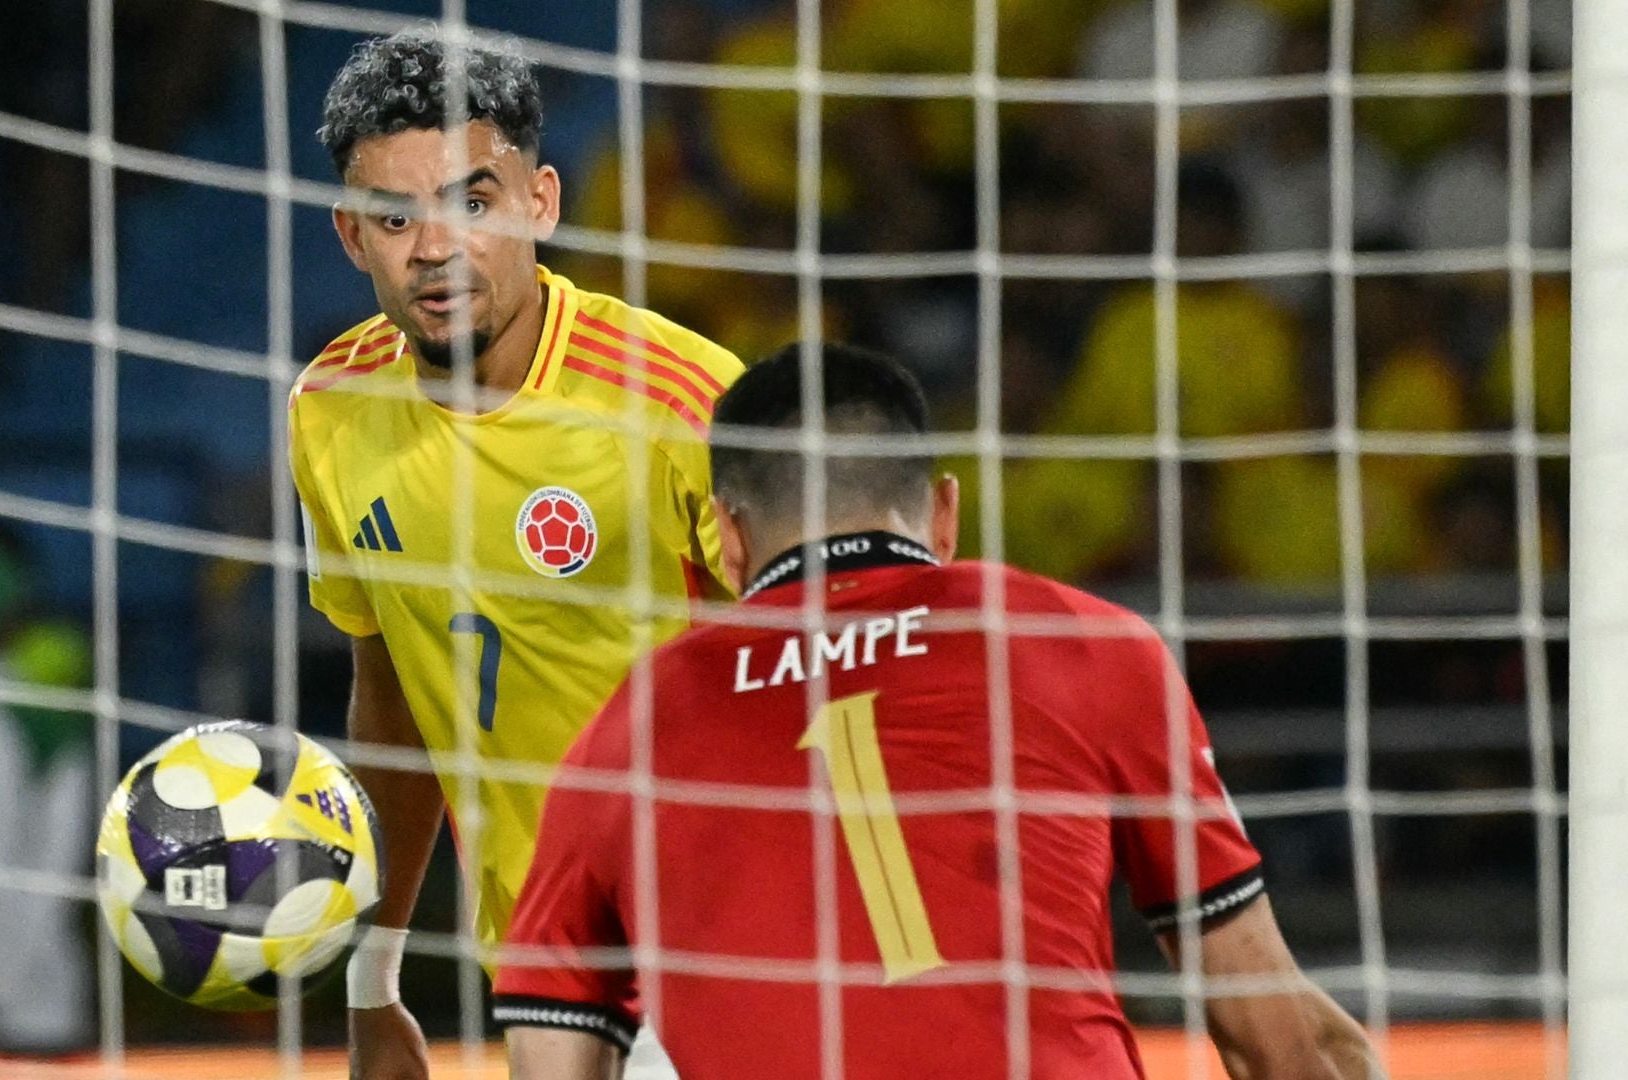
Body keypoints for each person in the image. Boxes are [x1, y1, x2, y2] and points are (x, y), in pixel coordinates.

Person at [492, 343, 1378, 1079]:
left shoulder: (633, 724)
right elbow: (1273, 1037)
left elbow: (549, 1053)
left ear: (726, 537)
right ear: (944, 512)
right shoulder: (1083, 642)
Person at [289, 30, 743, 1078]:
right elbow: (391, 696)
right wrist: (375, 978)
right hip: (539, 974)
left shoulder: (686, 400)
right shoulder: (328, 410)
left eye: (472, 204)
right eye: (395, 218)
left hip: (721, 953)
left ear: (540, 202)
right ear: (352, 237)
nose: (436, 248)